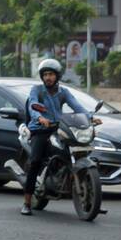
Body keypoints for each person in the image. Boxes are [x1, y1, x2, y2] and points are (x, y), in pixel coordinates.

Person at [21, 58, 89, 216]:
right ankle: (27, 202)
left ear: (57, 76)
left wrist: (90, 118)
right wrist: (39, 118)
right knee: (36, 161)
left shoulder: (63, 92)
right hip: (40, 129)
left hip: (58, 128)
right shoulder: (37, 90)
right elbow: (33, 105)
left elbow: (77, 107)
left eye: (51, 74)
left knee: (71, 151)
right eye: (45, 75)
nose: (47, 78)